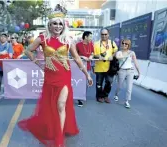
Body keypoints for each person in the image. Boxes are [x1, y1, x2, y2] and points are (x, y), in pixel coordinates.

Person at [17, 4, 93, 147]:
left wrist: (86, 75)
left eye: (60, 23)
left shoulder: (68, 40)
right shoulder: (42, 39)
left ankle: (59, 137)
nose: (57, 26)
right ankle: (52, 127)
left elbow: (77, 58)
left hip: (64, 76)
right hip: (50, 77)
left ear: (63, 25)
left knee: (61, 104)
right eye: (54, 24)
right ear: (49, 25)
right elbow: (27, 51)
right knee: (50, 104)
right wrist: (37, 63)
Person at [114, 39, 140, 108]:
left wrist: (139, 72)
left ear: (129, 45)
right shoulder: (119, 52)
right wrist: (126, 56)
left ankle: (127, 101)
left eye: (126, 44)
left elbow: (135, 62)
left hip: (130, 71)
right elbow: (117, 57)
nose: (124, 45)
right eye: (123, 43)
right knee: (119, 86)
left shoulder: (132, 53)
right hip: (122, 70)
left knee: (129, 87)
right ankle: (116, 94)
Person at [94, 28, 118, 103]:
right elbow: (94, 54)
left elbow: (116, 51)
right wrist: (98, 56)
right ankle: (99, 96)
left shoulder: (112, 43)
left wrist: (112, 56)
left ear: (108, 34)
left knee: (109, 83)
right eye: (102, 34)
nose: (104, 36)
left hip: (110, 68)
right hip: (99, 67)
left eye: (105, 34)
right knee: (99, 84)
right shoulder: (96, 44)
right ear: (100, 35)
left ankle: (105, 95)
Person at [0, 33, 13, 104]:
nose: (2, 38)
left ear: (7, 38)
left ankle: (9, 95)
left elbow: (10, 55)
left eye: (4, 37)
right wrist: (1, 53)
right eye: (1, 37)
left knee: (9, 82)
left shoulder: (9, 45)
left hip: (7, 67)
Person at [76, 31, 94, 107]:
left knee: (87, 83)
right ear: (85, 37)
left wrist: (91, 57)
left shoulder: (91, 44)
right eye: (90, 36)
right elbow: (74, 55)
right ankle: (80, 98)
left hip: (88, 67)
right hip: (79, 67)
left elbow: (92, 53)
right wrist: (82, 57)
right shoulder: (78, 45)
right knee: (80, 82)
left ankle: (82, 95)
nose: (91, 38)